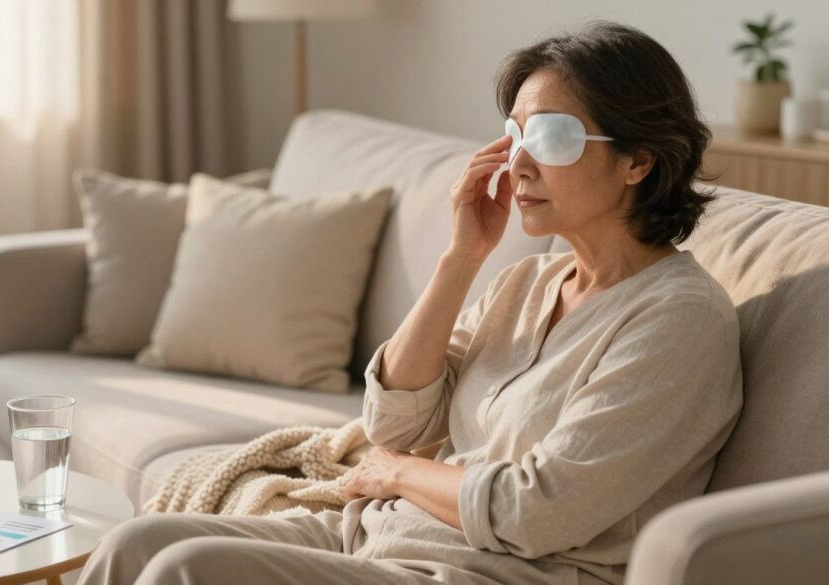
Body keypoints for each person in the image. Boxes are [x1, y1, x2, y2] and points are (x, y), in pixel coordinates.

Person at [76, 20, 743, 585]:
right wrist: (461, 259)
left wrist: (400, 473)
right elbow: (393, 420)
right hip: (374, 534)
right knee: (135, 542)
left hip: (476, 571)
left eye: (550, 138)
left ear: (639, 161)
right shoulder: (528, 285)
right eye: (513, 136)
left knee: (183, 569)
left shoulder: (678, 320)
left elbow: (534, 511)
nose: (518, 163)